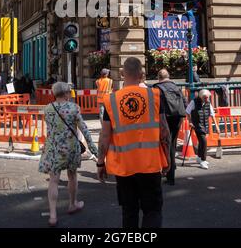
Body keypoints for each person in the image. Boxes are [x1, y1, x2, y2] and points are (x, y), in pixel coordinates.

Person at [97, 57, 170, 229]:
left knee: (129, 212)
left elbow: (105, 136)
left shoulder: (111, 100)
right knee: (152, 211)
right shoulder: (155, 95)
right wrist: (167, 158)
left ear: (122, 74)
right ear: (141, 75)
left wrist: (101, 163)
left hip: (124, 167)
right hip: (150, 164)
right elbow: (164, 131)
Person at [39, 81, 98, 227]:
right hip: (70, 148)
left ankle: (53, 215)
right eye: (69, 93)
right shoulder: (74, 108)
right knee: (72, 175)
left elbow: (50, 130)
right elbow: (83, 129)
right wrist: (93, 149)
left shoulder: (48, 109)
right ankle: (72, 204)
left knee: (53, 180)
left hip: (53, 149)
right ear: (66, 93)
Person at [154, 69, 187, 185]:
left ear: (159, 77)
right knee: (172, 145)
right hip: (177, 117)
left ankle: (162, 172)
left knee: (162, 145)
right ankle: (171, 176)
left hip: (164, 118)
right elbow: (184, 102)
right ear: (169, 76)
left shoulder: (156, 88)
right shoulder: (176, 87)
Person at [186, 89, 220, 170]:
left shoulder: (208, 103)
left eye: (208, 97)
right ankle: (203, 160)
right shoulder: (194, 102)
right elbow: (187, 112)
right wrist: (190, 122)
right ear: (201, 97)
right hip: (197, 125)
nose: (206, 99)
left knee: (201, 142)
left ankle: (199, 157)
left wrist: (217, 126)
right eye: (205, 97)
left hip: (205, 125)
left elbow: (212, 115)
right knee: (204, 141)